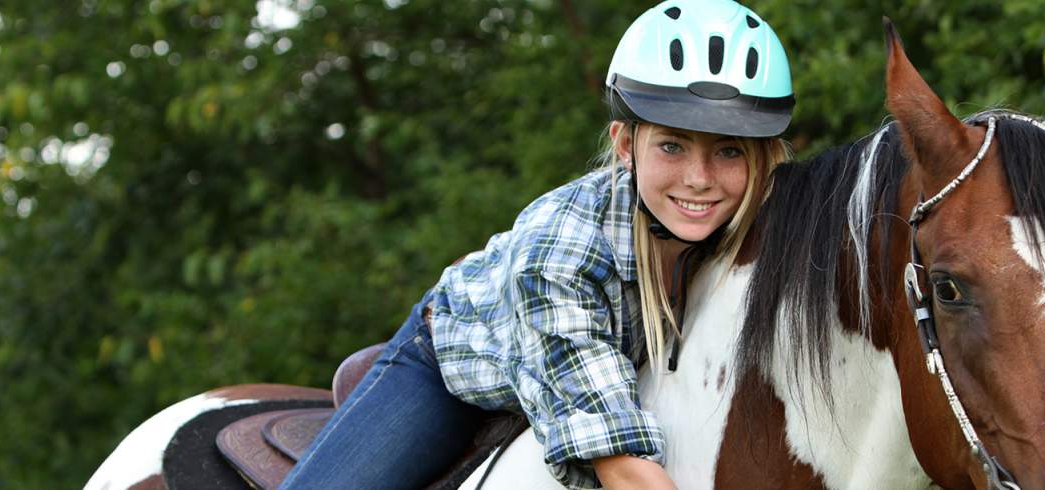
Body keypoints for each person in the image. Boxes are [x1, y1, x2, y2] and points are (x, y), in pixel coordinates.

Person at [280, 0, 795, 488]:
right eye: (671, 145)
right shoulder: (560, 250)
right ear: (624, 144)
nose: (699, 179)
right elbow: (620, 461)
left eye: (729, 150)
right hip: (462, 367)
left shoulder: (762, 227)